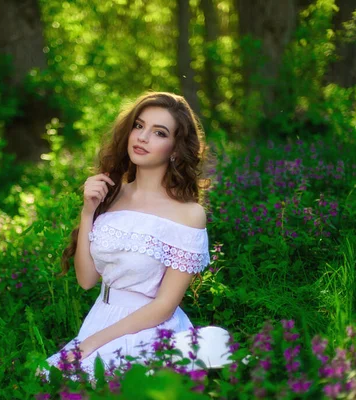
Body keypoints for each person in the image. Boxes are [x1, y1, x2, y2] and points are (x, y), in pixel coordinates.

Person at [40, 91, 230, 379]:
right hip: (100, 318)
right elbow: (87, 280)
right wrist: (88, 211)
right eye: (139, 126)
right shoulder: (112, 194)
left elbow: (164, 306)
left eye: (159, 132)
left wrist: (92, 344)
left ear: (175, 149)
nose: (142, 137)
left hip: (149, 330)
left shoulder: (187, 215)